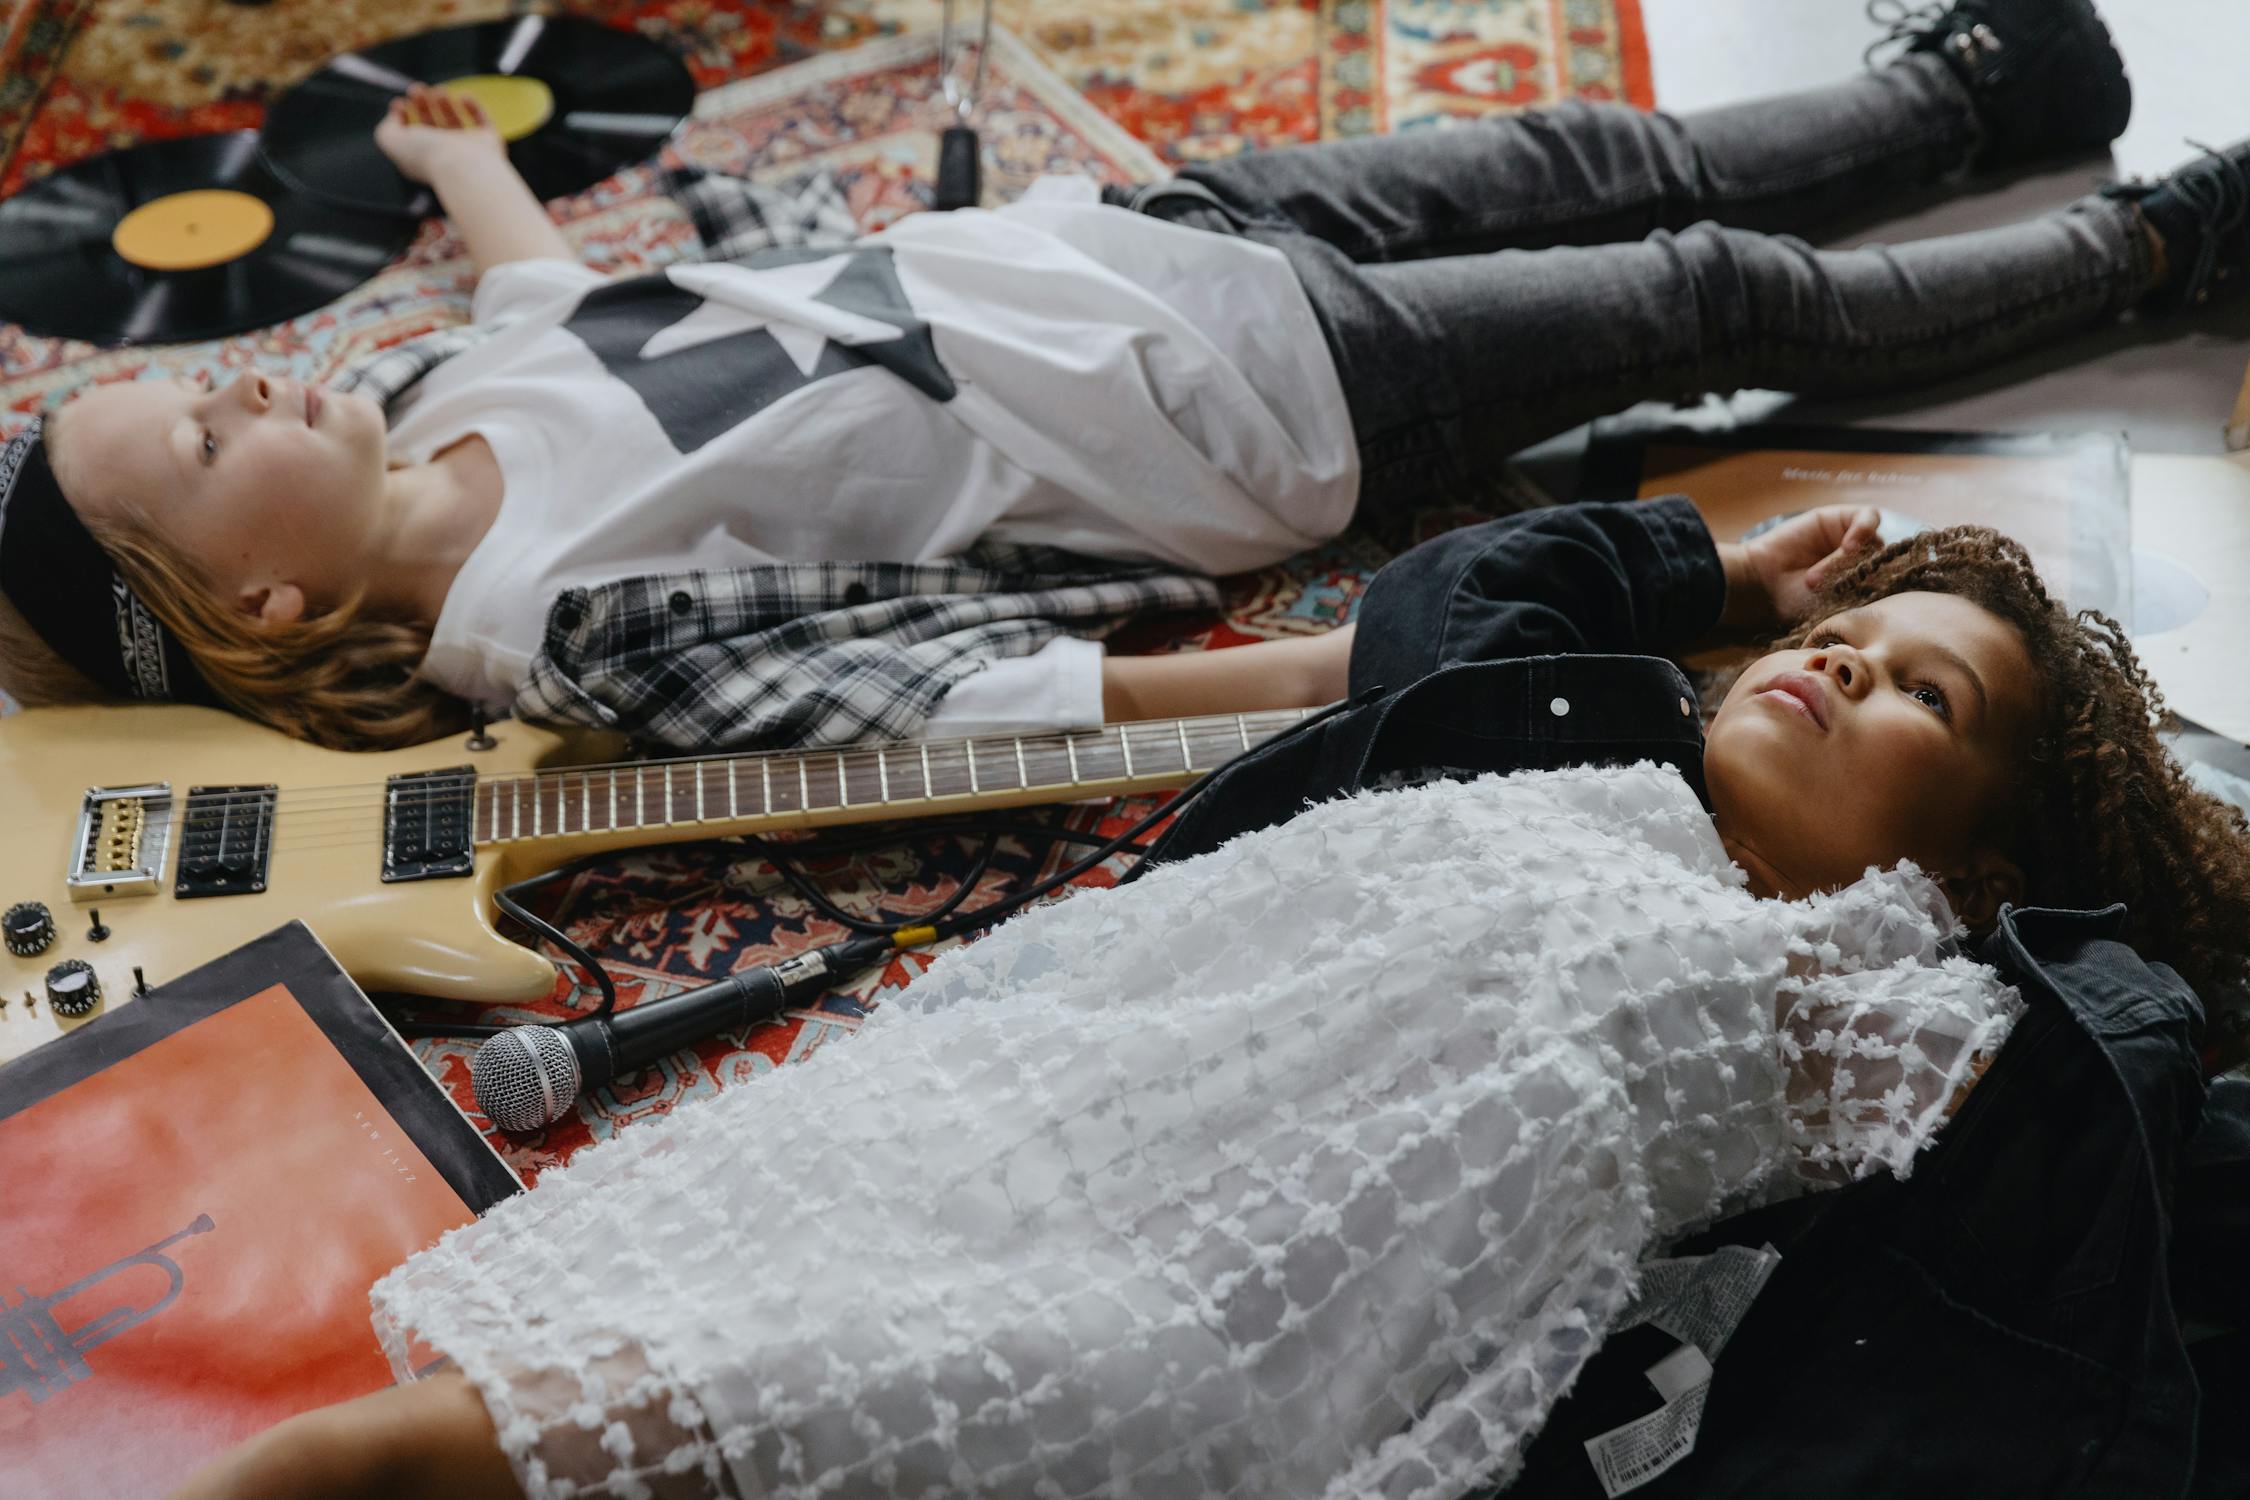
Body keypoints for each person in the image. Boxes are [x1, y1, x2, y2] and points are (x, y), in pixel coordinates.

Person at [166, 487, 2250, 1498]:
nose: (1843, 665)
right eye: (1848, 633)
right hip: (1001, 1132)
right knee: (401, 1444)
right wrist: (1703, 571)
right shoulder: (1552, 750)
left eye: (1922, 693)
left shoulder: (1891, 997)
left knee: (410, 1465)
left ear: (1967, 867)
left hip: (1209, 1326)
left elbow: (2154, 1132)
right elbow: (1467, 592)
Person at [2, 0, 2247, 754]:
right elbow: (980, 705)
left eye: (221, 374)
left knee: (1596, 154)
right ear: (265, 609)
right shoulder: (569, 635)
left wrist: (458, 164)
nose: (261, 385)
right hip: (1261, 416)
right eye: (209, 435)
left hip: (1159, 245)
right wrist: (1332, 668)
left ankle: (1983, 94)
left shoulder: (451, 392)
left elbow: (543, 290)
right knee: (1710, 289)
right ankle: (2150, 246)